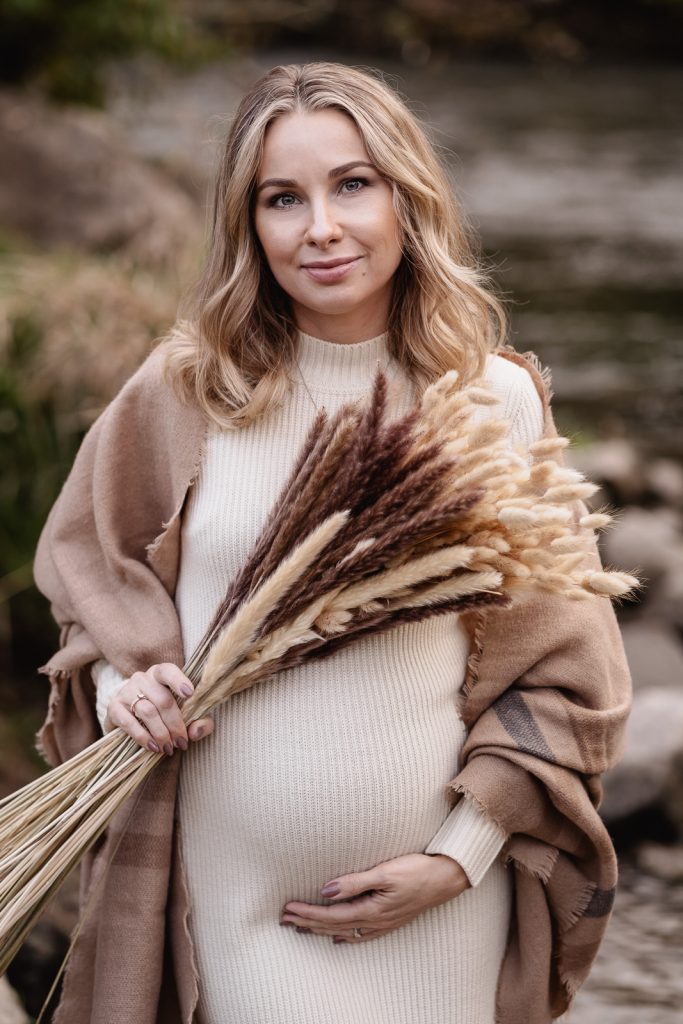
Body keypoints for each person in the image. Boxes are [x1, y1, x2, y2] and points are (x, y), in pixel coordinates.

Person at [32, 62, 632, 1024]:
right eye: (282, 198)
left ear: (407, 196)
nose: (320, 227)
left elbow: (572, 680)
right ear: (247, 222)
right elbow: (93, 581)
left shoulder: (487, 403)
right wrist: (119, 688)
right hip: (229, 909)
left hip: (432, 922)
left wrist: (457, 859)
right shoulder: (189, 391)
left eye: (352, 184)